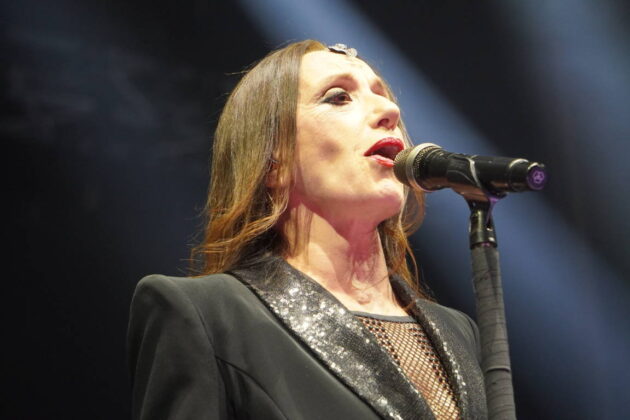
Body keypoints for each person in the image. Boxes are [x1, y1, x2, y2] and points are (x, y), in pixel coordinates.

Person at [127, 40, 487, 420]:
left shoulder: (459, 332)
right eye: (339, 97)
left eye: (382, 95)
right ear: (273, 162)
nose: (390, 111)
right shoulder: (205, 315)